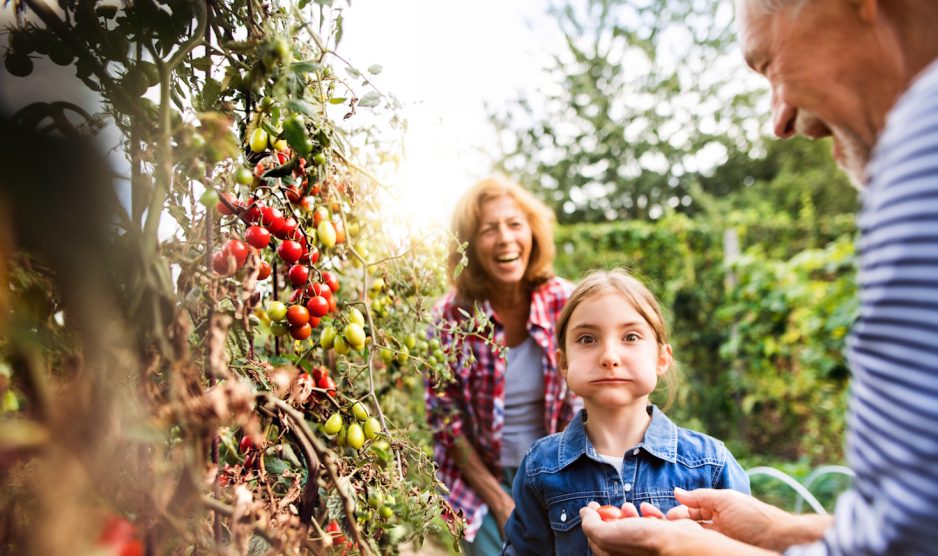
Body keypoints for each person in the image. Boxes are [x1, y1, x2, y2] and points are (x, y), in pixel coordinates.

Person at [578, 0, 938, 554]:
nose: (780, 119)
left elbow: (898, 545)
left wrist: (678, 547)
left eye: (770, 66)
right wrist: (779, 531)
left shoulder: (923, 148)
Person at [502, 269, 750, 555]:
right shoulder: (539, 468)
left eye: (630, 337)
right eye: (587, 339)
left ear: (661, 357)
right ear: (563, 363)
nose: (609, 356)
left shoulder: (710, 465)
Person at [424, 176, 581, 555]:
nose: (506, 239)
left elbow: (582, 404)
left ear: (533, 233)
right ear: (470, 246)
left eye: (514, 224)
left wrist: (550, 481)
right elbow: (446, 420)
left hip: (563, 468)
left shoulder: (567, 302)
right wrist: (499, 499)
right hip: (481, 482)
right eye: (488, 230)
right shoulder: (450, 316)